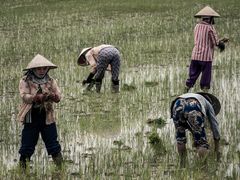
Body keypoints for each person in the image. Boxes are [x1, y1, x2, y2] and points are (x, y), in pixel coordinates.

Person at [17, 54, 63, 170]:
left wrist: (53, 96)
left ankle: (61, 168)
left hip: (47, 116)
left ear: (47, 68)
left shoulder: (50, 81)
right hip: (31, 116)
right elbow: (24, 96)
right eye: (38, 68)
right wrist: (36, 98)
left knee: (53, 144)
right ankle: (22, 170)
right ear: (33, 69)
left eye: (44, 68)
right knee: (27, 145)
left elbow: (59, 96)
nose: (41, 71)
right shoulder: (25, 80)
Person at [185, 6, 229, 92]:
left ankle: (186, 89)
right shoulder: (210, 28)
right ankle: (205, 92)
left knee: (192, 75)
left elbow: (204, 40)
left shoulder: (197, 26)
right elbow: (215, 43)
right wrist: (222, 42)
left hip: (195, 56)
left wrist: (220, 40)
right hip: (205, 57)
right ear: (210, 19)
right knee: (206, 77)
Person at [170, 92, 221, 167]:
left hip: (177, 104)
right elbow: (214, 124)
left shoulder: (191, 96)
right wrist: (217, 145)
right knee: (201, 143)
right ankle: (203, 167)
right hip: (193, 106)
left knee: (180, 139)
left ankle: (182, 164)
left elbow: (189, 124)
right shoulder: (207, 104)